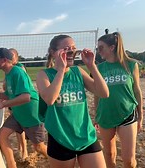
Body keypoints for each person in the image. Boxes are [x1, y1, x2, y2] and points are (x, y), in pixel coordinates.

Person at [36, 34, 108, 168]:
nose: (71, 51)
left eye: (73, 48)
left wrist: (92, 66)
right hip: (60, 138)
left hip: (86, 135)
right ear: (53, 52)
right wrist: (61, 70)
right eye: (66, 48)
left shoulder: (78, 71)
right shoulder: (44, 75)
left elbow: (104, 93)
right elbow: (50, 99)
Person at [0, 48, 48, 168]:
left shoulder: (17, 72)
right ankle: (12, 165)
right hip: (18, 113)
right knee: (1, 135)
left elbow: (26, 97)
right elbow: (8, 95)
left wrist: (2, 104)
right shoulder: (8, 74)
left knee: (39, 147)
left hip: (30, 114)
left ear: (4, 60)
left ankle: (59, 161)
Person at [94, 32, 143, 168]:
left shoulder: (131, 65)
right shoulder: (99, 68)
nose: (99, 51)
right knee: (109, 155)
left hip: (127, 113)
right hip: (105, 115)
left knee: (129, 160)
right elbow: (97, 93)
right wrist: (96, 114)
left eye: (101, 47)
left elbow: (137, 90)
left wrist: (141, 116)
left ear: (112, 47)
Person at [8, 48, 28, 159]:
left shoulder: (19, 68)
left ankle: (24, 150)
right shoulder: (9, 69)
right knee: (17, 127)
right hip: (13, 101)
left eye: (12, 55)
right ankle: (21, 148)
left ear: (16, 57)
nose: (10, 57)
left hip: (19, 101)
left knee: (21, 127)